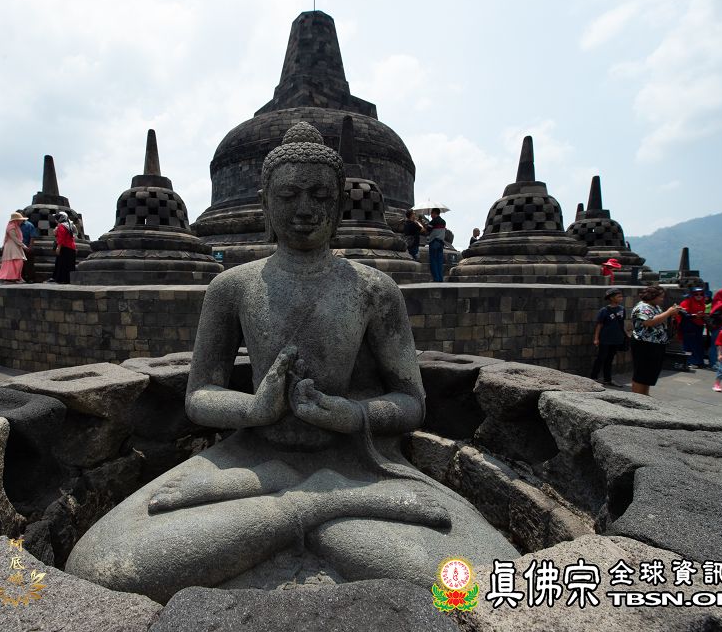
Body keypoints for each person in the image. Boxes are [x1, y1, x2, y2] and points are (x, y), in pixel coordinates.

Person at [65, 121, 516, 601]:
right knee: (105, 563)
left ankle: (307, 505)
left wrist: (353, 415)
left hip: (355, 463)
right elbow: (200, 396)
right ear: (266, 203)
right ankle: (316, 507)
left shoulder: (373, 289)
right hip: (251, 460)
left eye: (320, 196)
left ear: (338, 206)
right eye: (288, 195)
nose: (304, 210)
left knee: (473, 583)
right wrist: (255, 409)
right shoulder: (232, 287)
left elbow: (411, 402)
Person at [630, 285, 682, 395]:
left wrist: (671, 314)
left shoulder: (655, 307)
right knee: (641, 373)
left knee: (649, 373)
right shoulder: (642, 307)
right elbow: (649, 322)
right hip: (644, 344)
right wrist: (668, 312)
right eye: (660, 297)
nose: (662, 299)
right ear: (652, 296)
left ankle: (645, 396)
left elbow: (660, 320)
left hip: (656, 343)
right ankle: (637, 397)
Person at [590, 288, 626, 386]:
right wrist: (596, 338)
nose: (621, 298)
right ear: (611, 298)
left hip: (616, 338)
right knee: (601, 358)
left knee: (610, 359)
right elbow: (599, 325)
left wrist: (625, 335)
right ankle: (593, 377)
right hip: (605, 338)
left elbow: (622, 323)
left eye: (621, 296)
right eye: (618, 296)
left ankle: (607, 379)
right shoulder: (604, 310)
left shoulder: (622, 309)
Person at [679, 286, 707, 368]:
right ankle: (690, 361)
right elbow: (683, 313)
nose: (699, 296)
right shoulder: (686, 302)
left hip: (698, 326)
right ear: (692, 294)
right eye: (696, 294)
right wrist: (694, 316)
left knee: (698, 344)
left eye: (701, 294)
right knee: (690, 345)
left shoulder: (701, 303)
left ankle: (698, 361)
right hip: (689, 325)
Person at [0, 212, 27, 282]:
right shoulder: (11, 227)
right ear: (16, 220)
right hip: (11, 246)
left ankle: (17, 277)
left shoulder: (16, 227)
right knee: (16, 261)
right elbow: (14, 238)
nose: (21, 221)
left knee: (18, 261)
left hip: (15, 245)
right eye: (20, 220)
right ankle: (13, 277)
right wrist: (23, 245)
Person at [51, 212, 77, 284]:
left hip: (64, 247)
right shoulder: (70, 225)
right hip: (71, 247)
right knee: (69, 264)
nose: (55, 220)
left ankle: (62, 279)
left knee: (62, 264)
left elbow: (61, 238)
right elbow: (74, 235)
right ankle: (69, 279)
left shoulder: (61, 226)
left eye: (56, 218)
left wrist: (58, 247)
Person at [426, 208, 446, 282]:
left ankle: (436, 278)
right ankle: (440, 278)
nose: (431, 215)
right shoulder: (443, 221)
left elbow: (427, 230)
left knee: (433, 260)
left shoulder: (433, 221)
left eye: (431, 213)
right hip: (441, 243)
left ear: (434, 213)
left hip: (434, 242)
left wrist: (426, 225)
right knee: (439, 261)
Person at [20, 213, 39, 283]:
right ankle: (22, 277)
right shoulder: (16, 225)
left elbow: (32, 237)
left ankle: (31, 278)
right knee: (20, 264)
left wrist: (30, 247)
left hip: (27, 246)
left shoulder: (29, 225)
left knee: (29, 264)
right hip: (18, 247)